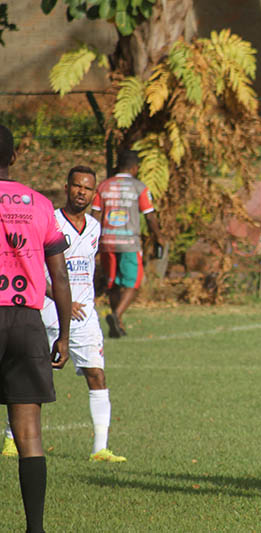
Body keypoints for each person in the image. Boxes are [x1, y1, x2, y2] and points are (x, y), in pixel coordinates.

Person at [4, 166, 126, 463]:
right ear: (67, 187)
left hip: (85, 317)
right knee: (23, 378)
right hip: (46, 313)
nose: (81, 192)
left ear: (94, 193)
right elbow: (35, 268)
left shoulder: (95, 227)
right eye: (76, 186)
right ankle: (10, 440)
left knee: (97, 374)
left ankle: (100, 449)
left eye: (87, 188)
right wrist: (61, 299)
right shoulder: (49, 218)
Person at [0, 124, 72, 533]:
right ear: (13, 157)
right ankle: (35, 528)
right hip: (28, 321)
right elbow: (59, 276)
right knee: (29, 433)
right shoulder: (40, 204)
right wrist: (63, 334)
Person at [91, 149, 163, 337]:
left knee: (113, 283)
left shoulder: (104, 186)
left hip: (107, 241)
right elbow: (150, 216)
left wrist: (92, 239)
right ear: (135, 168)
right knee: (133, 282)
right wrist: (159, 237)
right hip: (129, 242)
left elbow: (95, 214)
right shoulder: (139, 187)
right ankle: (116, 315)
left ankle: (118, 324)